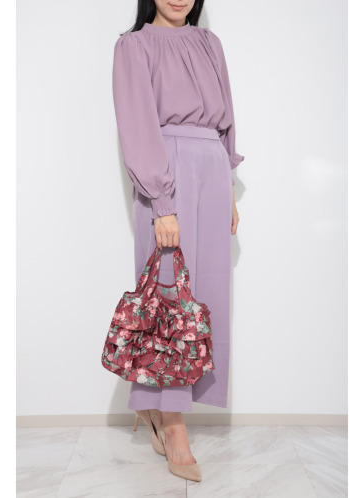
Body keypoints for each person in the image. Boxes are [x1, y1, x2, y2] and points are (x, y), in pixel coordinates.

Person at [112, 0, 244, 482]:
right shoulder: (135, 46)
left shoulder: (210, 43)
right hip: (166, 172)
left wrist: (229, 189)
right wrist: (161, 202)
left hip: (212, 171)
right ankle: (171, 424)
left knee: (204, 297)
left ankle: (159, 408)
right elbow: (136, 126)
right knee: (168, 297)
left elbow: (226, 122)